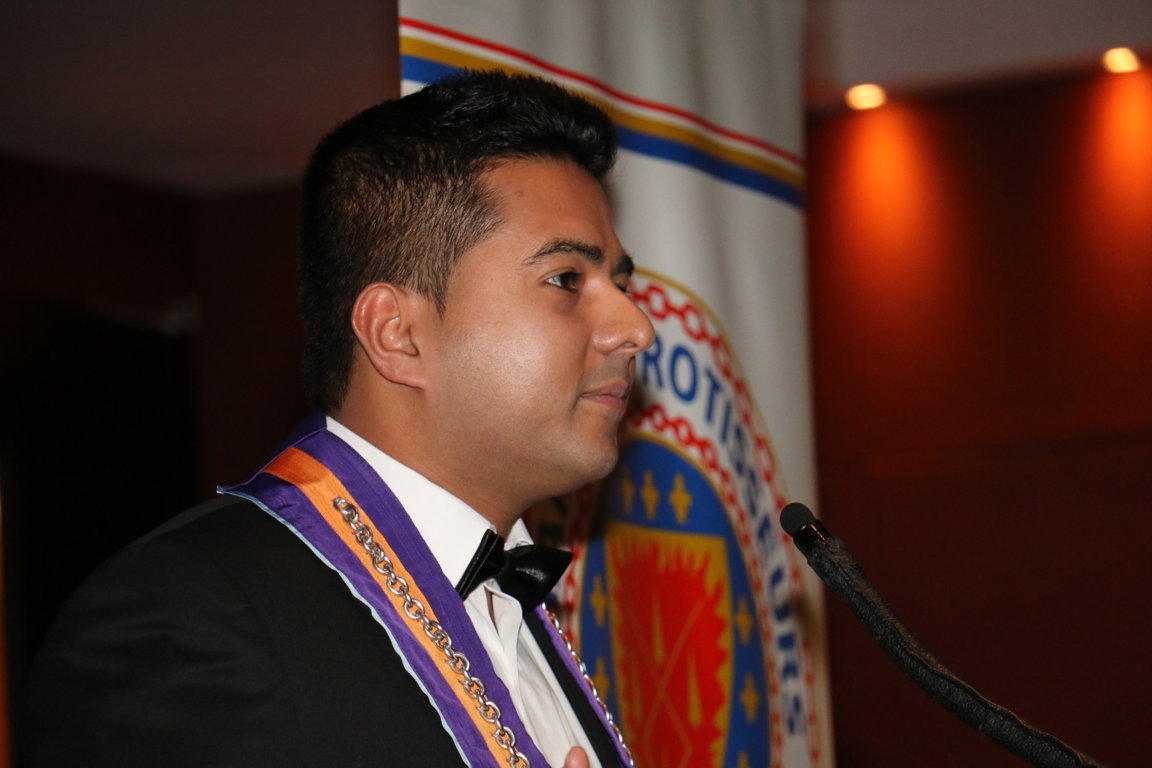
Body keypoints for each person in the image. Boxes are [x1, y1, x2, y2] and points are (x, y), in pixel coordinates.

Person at [23, 70, 655, 768]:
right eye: (567, 280)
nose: (636, 327)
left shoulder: (521, 605)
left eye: (621, 283)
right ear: (397, 334)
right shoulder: (187, 616)